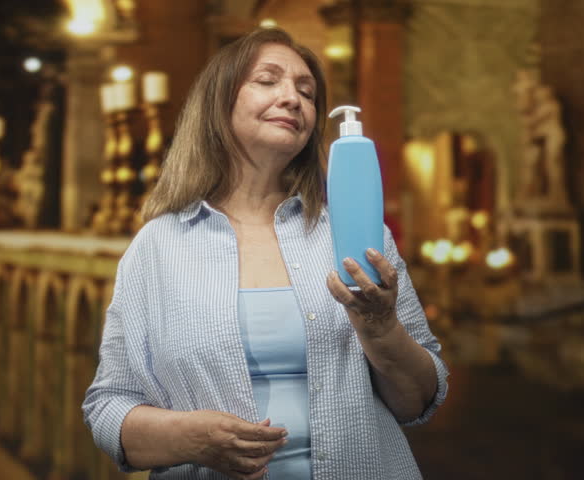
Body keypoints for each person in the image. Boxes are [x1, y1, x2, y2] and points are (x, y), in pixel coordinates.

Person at [82, 28, 449, 480]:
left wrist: (381, 328)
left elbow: (419, 400)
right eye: (268, 80)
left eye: (306, 90)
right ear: (220, 103)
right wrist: (187, 438)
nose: (292, 98)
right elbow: (108, 406)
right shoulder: (158, 247)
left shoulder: (357, 236)